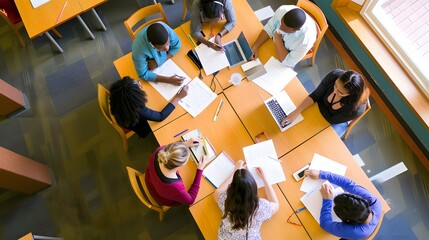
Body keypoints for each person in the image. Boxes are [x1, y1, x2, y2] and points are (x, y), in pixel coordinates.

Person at [281, 69, 370, 137]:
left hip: (335, 121)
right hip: (323, 108)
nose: (335, 91)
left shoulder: (356, 110)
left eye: (341, 92)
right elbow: (315, 95)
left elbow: (331, 120)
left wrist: (321, 100)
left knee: (319, 139)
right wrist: (296, 112)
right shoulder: (334, 75)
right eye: (335, 86)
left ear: (350, 94)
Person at [305, 170, 382, 239]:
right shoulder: (373, 200)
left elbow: (325, 224)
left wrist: (327, 200)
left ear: (347, 221)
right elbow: (348, 183)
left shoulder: (355, 231)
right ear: (360, 199)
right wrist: (320, 174)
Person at [214, 160, 279, 239]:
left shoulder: (225, 200)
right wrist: (265, 179)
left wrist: (236, 170)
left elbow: (217, 193)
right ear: (254, 189)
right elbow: (276, 204)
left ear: (231, 188)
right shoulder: (261, 207)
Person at [109, 76, 188, 138]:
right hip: (140, 126)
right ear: (134, 96)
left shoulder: (119, 93)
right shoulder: (138, 109)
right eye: (139, 87)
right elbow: (160, 117)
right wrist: (178, 97)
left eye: (138, 82)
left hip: (122, 114)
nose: (141, 85)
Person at [251, 5, 317, 68]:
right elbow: (269, 28)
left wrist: (277, 36)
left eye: (285, 29)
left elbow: (288, 61)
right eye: (281, 23)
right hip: (277, 42)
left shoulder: (305, 41)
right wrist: (255, 46)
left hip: (288, 52)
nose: (280, 28)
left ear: (296, 30)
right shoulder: (282, 11)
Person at [145, 140, 207, 206]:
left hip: (150, 179)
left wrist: (184, 144)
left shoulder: (160, 151)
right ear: (182, 165)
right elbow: (191, 201)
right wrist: (200, 169)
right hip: (160, 196)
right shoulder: (175, 186)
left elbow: (168, 149)